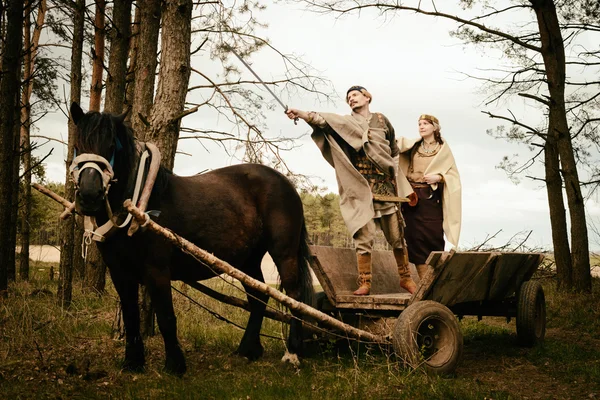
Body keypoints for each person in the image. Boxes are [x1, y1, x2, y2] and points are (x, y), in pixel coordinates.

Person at [285, 86, 417, 296]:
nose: (351, 99)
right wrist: (301, 114)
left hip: (386, 188)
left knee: (397, 237)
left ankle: (406, 279)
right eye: (348, 98)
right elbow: (322, 120)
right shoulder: (345, 123)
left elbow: (393, 151)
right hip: (360, 188)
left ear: (367, 97)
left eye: (355, 95)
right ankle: (365, 283)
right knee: (363, 238)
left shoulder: (382, 121)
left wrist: (396, 178)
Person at [398, 114, 462, 279]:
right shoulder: (413, 146)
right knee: (414, 238)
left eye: (426, 123)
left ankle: (435, 279)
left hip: (431, 198)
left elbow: (453, 176)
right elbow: (394, 148)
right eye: (419, 123)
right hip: (412, 198)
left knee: (433, 236)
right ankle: (424, 283)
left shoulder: (443, 149)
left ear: (435, 127)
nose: (421, 126)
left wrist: (439, 178)